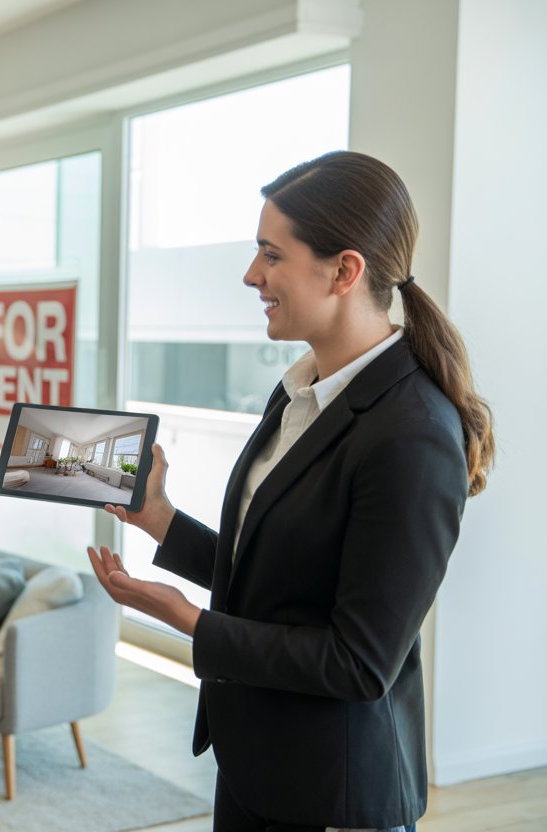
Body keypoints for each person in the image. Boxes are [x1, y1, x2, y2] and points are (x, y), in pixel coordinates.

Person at [87, 151, 495, 832]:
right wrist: (160, 520)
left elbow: (359, 662)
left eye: (270, 255)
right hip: (257, 767)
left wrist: (188, 620)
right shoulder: (301, 393)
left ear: (344, 270)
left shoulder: (412, 435)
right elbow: (279, 579)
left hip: (333, 794)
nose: (252, 276)